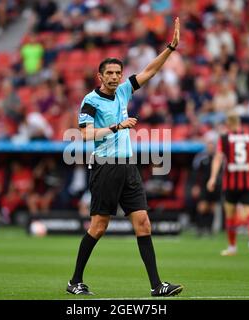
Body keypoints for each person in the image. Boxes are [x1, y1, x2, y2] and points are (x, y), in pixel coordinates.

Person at [66, 17, 183, 297]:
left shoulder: (124, 91)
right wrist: (117, 126)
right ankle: (75, 281)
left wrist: (170, 48)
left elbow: (149, 71)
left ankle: (157, 286)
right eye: (110, 73)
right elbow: (85, 134)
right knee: (99, 226)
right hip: (105, 167)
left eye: (118, 72)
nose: (116, 77)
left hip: (128, 167)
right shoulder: (90, 101)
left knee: (143, 222)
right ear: (100, 76)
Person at [207, 111, 249, 256]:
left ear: (229, 124)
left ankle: (232, 247)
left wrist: (212, 177)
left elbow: (218, 158)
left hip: (230, 183)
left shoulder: (224, 138)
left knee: (230, 214)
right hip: (247, 181)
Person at [191, 134, 221, 236]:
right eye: (209, 145)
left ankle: (209, 229)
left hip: (215, 186)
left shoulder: (218, 157)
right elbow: (195, 173)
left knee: (212, 207)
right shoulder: (201, 157)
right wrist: (196, 186)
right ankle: (200, 228)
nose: (211, 147)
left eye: (212, 145)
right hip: (203, 186)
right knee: (202, 207)